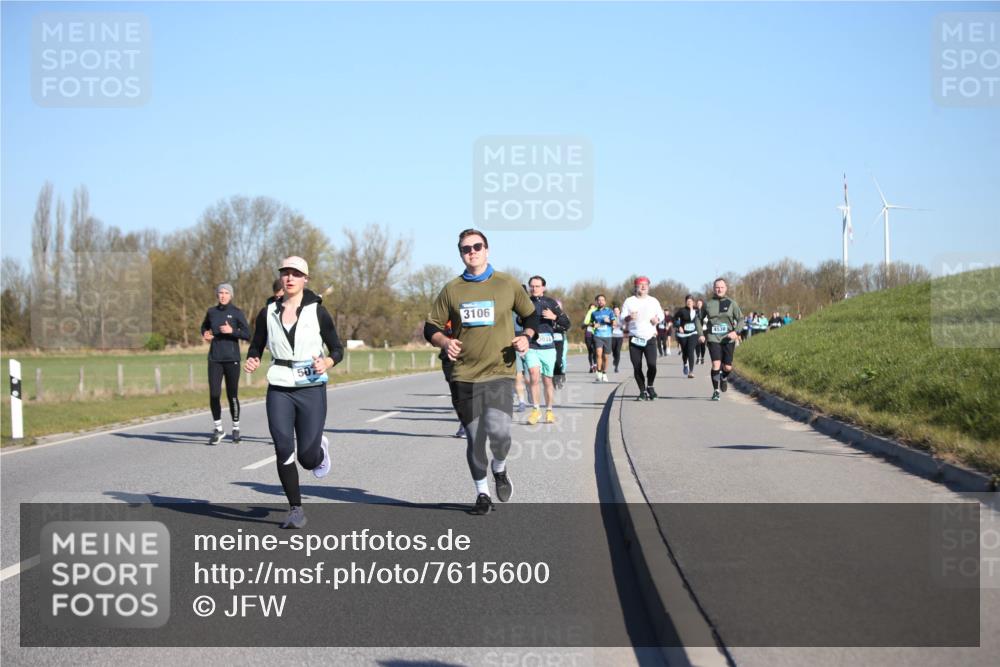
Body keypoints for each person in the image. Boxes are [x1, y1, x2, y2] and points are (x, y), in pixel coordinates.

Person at [424, 229, 538, 515]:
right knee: (476, 438)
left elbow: (530, 315)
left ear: (487, 250)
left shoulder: (507, 283)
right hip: (463, 374)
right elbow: (431, 327)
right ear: (460, 253)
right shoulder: (452, 289)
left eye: (477, 246)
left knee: (500, 433)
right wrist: (444, 341)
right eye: (465, 248)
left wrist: (527, 335)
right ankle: (482, 494)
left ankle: (499, 468)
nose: (471, 251)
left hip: (499, 370)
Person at [244, 256, 343, 529]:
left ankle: (319, 450)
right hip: (279, 387)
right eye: (286, 273)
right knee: (283, 448)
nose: (289, 278)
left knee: (306, 459)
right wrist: (253, 358)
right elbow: (257, 345)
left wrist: (328, 362)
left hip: (311, 387)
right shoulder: (267, 313)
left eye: (295, 274)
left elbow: (337, 348)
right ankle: (295, 509)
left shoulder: (318, 312)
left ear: (305, 279)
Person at [200, 283, 250, 445]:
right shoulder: (211, 312)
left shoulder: (236, 313)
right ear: (217, 295)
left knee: (232, 395)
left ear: (231, 295)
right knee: (214, 394)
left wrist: (232, 332)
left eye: (226, 292)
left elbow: (248, 334)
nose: (222, 295)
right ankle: (218, 429)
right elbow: (204, 327)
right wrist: (205, 334)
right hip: (215, 358)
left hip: (232, 359)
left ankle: (236, 429)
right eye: (220, 292)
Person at [523, 275, 570, 424]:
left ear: (543, 287)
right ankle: (536, 410)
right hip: (532, 346)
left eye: (537, 286)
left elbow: (567, 323)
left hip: (548, 348)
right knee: (533, 376)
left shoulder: (551, 303)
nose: (534, 289)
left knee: (547, 381)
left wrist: (554, 316)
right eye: (532, 286)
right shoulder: (526, 302)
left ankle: (549, 411)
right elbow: (519, 320)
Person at [699, 278, 743, 402]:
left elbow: (741, 319)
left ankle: (724, 377)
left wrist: (736, 332)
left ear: (726, 288)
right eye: (717, 287)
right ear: (713, 289)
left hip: (728, 339)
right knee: (716, 364)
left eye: (722, 287)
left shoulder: (732, 303)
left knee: (728, 367)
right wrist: (701, 334)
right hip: (713, 338)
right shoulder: (708, 304)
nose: (719, 289)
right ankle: (716, 391)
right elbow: (698, 319)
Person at [621, 276, 664, 400]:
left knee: (652, 365)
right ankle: (642, 390)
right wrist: (629, 317)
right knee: (637, 366)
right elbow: (622, 318)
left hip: (650, 337)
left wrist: (657, 319)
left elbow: (660, 314)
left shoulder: (653, 301)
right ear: (635, 287)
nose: (644, 287)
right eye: (641, 285)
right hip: (635, 338)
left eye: (646, 285)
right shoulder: (629, 301)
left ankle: (650, 386)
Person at [439, 319, 465, 438]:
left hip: (470, 353)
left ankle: (470, 422)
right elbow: (433, 329)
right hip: (448, 354)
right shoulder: (444, 309)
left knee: (471, 388)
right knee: (456, 392)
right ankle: (464, 422)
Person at [590, 294, 615, 383]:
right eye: (599, 300)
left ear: (605, 301)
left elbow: (614, 323)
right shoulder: (594, 313)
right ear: (596, 302)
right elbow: (590, 324)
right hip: (598, 336)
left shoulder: (610, 311)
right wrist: (594, 325)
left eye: (602, 300)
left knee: (606, 357)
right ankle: (599, 372)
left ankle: (604, 373)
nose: (601, 301)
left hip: (607, 336)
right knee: (598, 354)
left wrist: (609, 321)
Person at [674, 295, 701, 379]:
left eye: (690, 301)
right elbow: (674, 318)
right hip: (683, 334)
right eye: (687, 301)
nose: (689, 303)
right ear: (686, 302)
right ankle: (685, 363)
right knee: (685, 352)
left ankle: (691, 371)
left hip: (693, 333)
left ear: (693, 302)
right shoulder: (682, 310)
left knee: (690, 350)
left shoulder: (697, 310)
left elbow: (702, 318)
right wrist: (679, 326)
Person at [551, 297, 569, 389]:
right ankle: (553, 377)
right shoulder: (547, 315)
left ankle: (558, 377)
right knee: (551, 360)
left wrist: (556, 327)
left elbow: (566, 327)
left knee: (559, 360)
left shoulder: (563, 316)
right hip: (549, 341)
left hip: (560, 340)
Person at [582, 302, 598, 373]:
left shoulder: (598, 317)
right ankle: (591, 366)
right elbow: (582, 326)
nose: (592, 310)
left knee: (595, 350)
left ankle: (595, 365)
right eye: (590, 308)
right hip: (588, 335)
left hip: (595, 335)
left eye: (593, 308)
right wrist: (588, 324)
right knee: (590, 351)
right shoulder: (587, 317)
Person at [610, 306, 624, 372]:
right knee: (613, 351)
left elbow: (625, 326)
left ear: (619, 311)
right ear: (613, 312)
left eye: (617, 310)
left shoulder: (622, 318)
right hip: (612, 336)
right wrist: (611, 326)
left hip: (620, 336)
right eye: (614, 310)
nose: (616, 312)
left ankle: (616, 367)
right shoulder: (611, 318)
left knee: (618, 351)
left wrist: (622, 327)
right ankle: (615, 359)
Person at [695, 298, 708, 365]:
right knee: (697, 344)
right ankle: (698, 357)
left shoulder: (705, 311)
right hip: (696, 330)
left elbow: (708, 318)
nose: (698, 304)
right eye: (697, 303)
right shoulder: (695, 311)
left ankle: (702, 357)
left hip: (704, 330)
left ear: (702, 304)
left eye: (699, 303)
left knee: (703, 345)